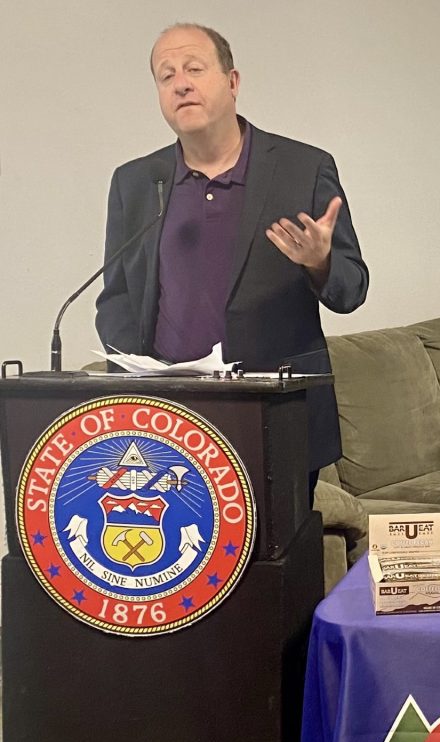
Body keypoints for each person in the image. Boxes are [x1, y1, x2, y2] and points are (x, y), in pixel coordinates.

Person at [95, 23, 368, 501]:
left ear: (233, 82)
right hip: (167, 422)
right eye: (166, 75)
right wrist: (142, 374)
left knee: (274, 571)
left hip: (274, 418)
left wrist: (319, 263)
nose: (181, 83)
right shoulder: (137, 182)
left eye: (195, 69)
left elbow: (351, 289)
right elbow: (116, 295)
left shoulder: (303, 168)